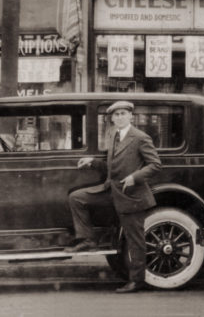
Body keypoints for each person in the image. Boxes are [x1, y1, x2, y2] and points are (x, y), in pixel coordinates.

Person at [65, 101, 162, 293]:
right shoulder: (113, 136)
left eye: (123, 113)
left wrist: (135, 177)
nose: (119, 117)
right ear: (112, 118)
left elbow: (155, 165)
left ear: (130, 116)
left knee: (135, 241)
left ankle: (137, 280)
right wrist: (93, 162)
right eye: (116, 114)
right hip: (111, 191)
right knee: (77, 198)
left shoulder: (140, 137)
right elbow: (112, 166)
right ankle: (87, 240)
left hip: (131, 196)